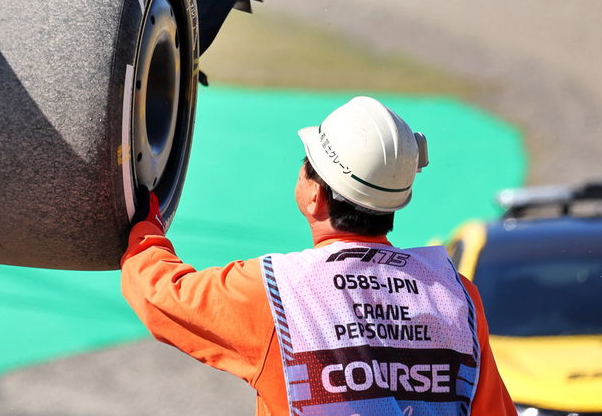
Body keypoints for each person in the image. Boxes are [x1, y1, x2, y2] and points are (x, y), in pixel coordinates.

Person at [120, 95, 517, 415]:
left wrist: (146, 229)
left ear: (315, 196)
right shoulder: (457, 296)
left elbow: (162, 295)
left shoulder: (276, 292)